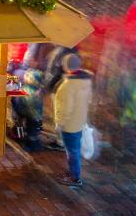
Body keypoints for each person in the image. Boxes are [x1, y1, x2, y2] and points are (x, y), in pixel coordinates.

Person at [53, 53, 93, 187]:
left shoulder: (68, 86)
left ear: (66, 67)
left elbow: (65, 108)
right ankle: (73, 173)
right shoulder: (86, 81)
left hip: (70, 124)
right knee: (75, 149)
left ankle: (75, 177)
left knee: (72, 151)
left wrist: (59, 122)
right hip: (79, 121)